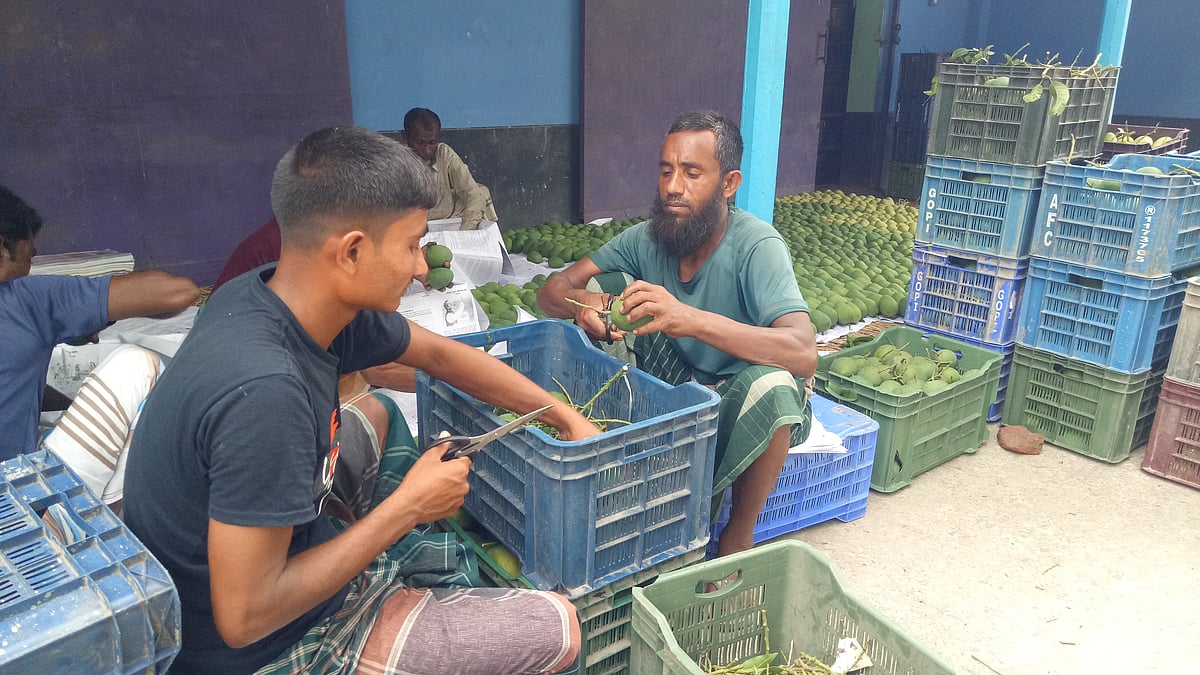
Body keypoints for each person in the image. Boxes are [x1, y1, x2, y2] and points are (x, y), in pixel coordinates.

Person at [123, 126, 597, 674]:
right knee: (558, 627)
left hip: (243, 554)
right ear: (351, 251)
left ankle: (362, 539)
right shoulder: (265, 395)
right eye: (413, 245)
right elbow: (245, 616)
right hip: (254, 647)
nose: (424, 267)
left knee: (376, 411)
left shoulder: (279, 294)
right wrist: (407, 510)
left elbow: (441, 356)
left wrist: (560, 415)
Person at [537, 110, 818, 558]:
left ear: (728, 184)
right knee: (604, 288)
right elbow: (551, 290)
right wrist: (589, 306)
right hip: (679, 379)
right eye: (666, 171)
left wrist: (688, 318)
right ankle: (620, 454)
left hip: (739, 393)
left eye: (692, 173)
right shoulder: (647, 238)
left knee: (775, 385)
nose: (672, 187)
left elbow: (804, 353)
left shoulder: (758, 247)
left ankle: (735, 535)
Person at [0, 184, 200, 461]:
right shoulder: (24, 301)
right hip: (12, 494)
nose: (27, 271)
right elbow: (177, 292)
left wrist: (71, 408)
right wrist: (89, 313)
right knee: (135, 365)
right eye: (27, 259)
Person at [402, 107, 498, 229]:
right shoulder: (397, 161)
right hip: (410, 224)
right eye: (420, 143)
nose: (427, 150)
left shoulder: (444, 153)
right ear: (405, 137)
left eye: (432, 143)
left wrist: (466, 233)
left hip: (447, 217)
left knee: (480, 193)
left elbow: (472, 193)